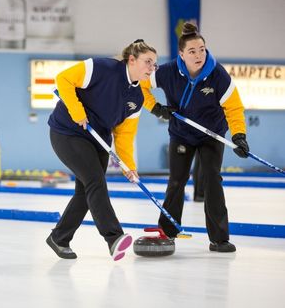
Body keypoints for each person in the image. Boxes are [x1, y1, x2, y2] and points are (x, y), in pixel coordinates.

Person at [141, 22, 249, 253]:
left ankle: (219, 239)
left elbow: (234, 108)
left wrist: (239, 136)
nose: (199, 55)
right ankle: (167, 233)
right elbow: (140, 84)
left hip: (212, 135)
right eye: (192, 51)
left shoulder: (218, 74)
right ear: (181, 54)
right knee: (177, 181)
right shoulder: (168, 72)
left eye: (202, 49)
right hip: (181, 134)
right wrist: (156, 108)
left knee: (212, 181)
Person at [47, 39, 158, 261]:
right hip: (68, 132)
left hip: (98, 140)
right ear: (132, 60)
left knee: (85, 191)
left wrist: (129, 166)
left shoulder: (137, 99)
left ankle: (59, 237)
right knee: (96, 182)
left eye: (154, 64)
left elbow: (124, 135)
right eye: (148, 62)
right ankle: (113, 237)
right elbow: (64, 79)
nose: (151, 68)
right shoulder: (101, 68)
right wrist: (77, 111)